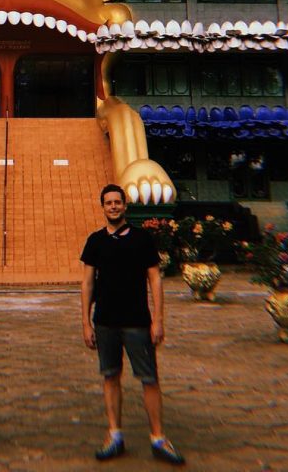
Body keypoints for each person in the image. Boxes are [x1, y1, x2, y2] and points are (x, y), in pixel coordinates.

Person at [81, 184, 184, 465]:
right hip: (105, 321)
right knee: (110, 376)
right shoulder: (95, 241)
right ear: (102, 207)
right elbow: (87, 283)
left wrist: (158, 319)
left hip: (137, 321)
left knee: (149, 378)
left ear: (125, 205)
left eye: (117, 202)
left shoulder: (142, 239)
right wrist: (85, 322)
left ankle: (158, 437)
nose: (113, 206)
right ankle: (114, 434)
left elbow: (155, 278)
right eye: (108, 203)